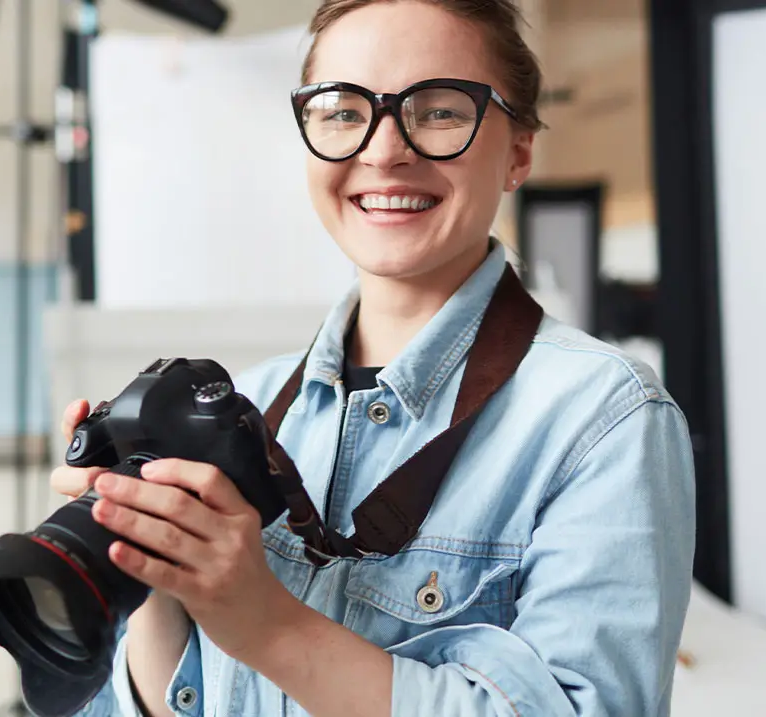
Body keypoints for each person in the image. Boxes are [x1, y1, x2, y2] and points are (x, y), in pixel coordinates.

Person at [53, 0, 697, 714]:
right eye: (342, 112)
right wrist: (150, 574)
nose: (384, 150)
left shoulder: (602, 420)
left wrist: (267, 624)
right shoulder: (251, 405)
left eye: (441, 111)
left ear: (518, 150)